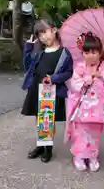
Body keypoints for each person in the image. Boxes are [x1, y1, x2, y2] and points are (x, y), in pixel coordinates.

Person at [64, 32, 104, 172]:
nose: (91, 55)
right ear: (82, 53)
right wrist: (85, 81)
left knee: (95, 134)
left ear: (100, 52)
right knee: (81, 133)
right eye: (87, 52)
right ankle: (79, 156)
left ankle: (93, 156)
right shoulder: (80, 67)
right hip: (82, 108)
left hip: (99, 108)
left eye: (94, 52)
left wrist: (102, 76)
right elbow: (73, 84)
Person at [21, 19, 73, 163]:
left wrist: (54, 78)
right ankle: (40, 146)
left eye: (45, 32)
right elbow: (27, 66)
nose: (43, 37)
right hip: (36, 88)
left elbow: (69, 72)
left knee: (47, 119)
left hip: (51, 90)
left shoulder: (64, 52)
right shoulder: (39, 51)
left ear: (54, 30)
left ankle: (47, 149)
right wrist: (28, 47)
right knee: (39, 119)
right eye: (39, 35)